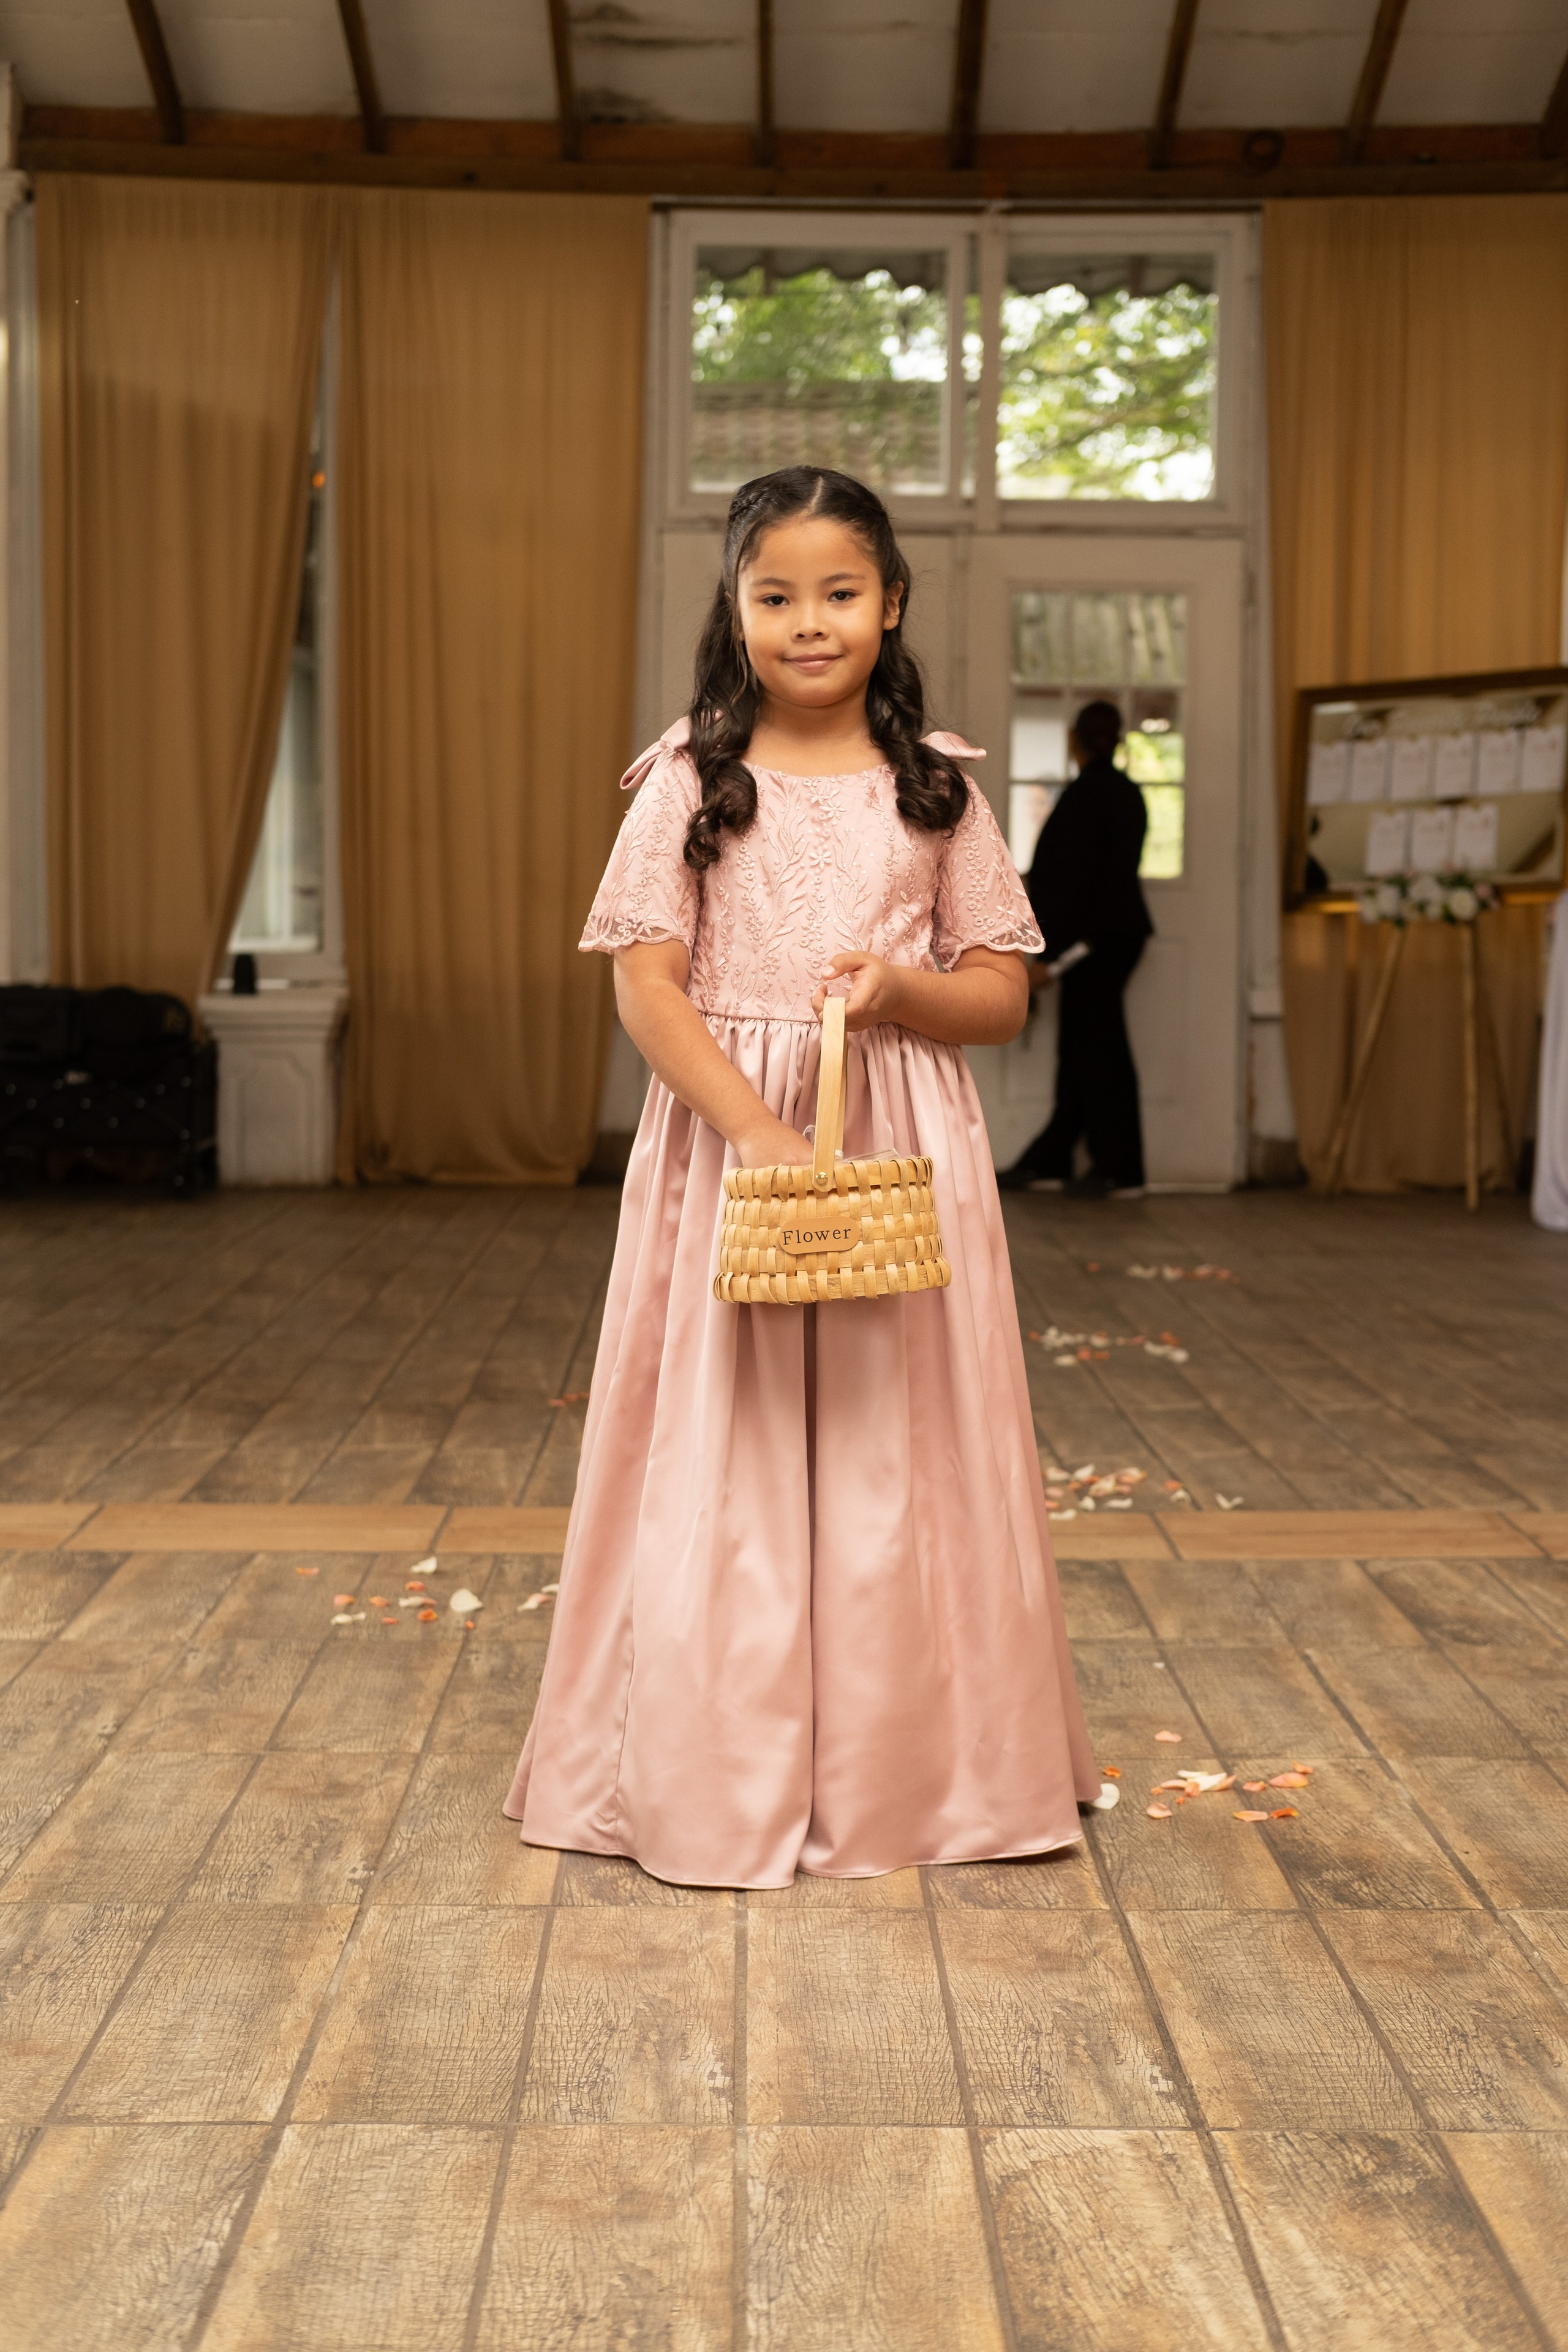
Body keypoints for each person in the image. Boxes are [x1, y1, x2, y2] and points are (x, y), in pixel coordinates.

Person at [503, 465, 1099, 1888]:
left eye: (839, 594)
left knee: (908, 1446)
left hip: (897, 1140)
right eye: (776, 596)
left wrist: (900, 989)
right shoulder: (687, 781)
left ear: (889, 605)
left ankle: (919, 1768)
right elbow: (648, 992)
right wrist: (753, 1132)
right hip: (730, 1140)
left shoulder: (935, 786)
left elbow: (1004, 996)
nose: (809, 623)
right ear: (736, 606)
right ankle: (717, 1768)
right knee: (731, 1446)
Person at [999, 700, 1153, 1200]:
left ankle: (1121, 1168)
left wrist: (1051, 959)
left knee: (1099, 1051)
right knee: (1084, 1048)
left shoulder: (1084, 798)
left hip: (1096, 940)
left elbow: (1071, 884)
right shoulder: (1128, 794)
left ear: (1074, 740)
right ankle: (1055, 1157)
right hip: (1111, 935)